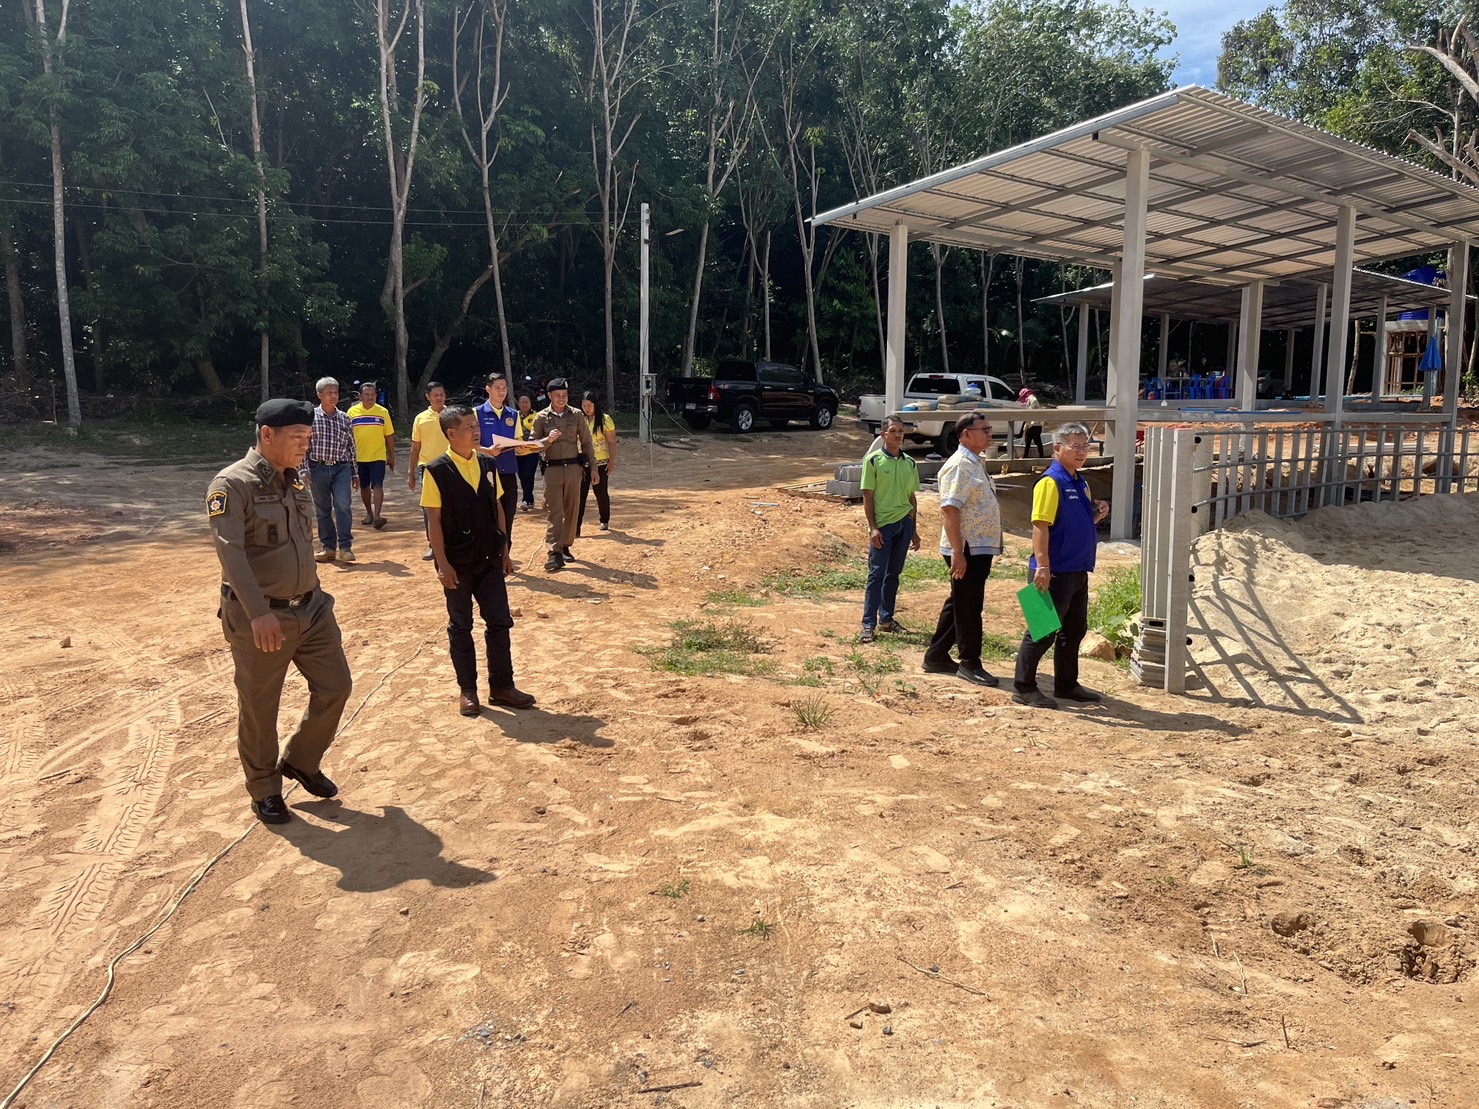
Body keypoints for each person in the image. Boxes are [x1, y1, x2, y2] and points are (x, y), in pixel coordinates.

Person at [208, 399, 353, 825]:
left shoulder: (296, 482)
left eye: (309, 437)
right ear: (267, 435)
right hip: (262, 617)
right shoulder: (232, 484)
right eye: (298, 438)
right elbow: (231, 554)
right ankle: (264, 789)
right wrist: (258, 613)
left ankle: (301, 760)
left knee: (336, 686)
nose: (306, 445)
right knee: (260, 707)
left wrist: (315, 596)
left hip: (312, 609)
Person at [422, 405, 536, 716]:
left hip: (489, 559)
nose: (476, 431)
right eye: (469, 427)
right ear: (451, 433)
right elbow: (434, 520)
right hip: (457, 563)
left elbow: (497, 508)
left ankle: (502, 686)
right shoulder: (436, 471)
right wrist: (442, 564)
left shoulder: (487, 463)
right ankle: (468, 691)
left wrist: (505, 551)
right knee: (461, 626)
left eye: (476, 426)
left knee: (499, 621)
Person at [1013, 422, 1111, 710]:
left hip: (1077, 569)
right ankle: (1023, 687)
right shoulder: (1050, 482)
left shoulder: (1081, 481)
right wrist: (1043, 566)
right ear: (1057, 448)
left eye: (1085, 446)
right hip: (1054, 571)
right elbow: (1040, 525)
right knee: (1042, 631)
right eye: (1075, 446)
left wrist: (1098, 514)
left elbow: (1080, 521)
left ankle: (1067, 684)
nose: (1082, 452)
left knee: (1074, 630)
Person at [921, 412, 1004, 687]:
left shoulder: (975, 462)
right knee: (969, 605)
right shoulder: (959, 465)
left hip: (977, 548)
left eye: (989, 428)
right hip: (966, 548)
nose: (990, 433)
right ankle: (970, 663)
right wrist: (958, 552)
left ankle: (936, 656)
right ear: (966, 434)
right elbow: (950, 509)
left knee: (960, 600)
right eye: (984, 429)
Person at [859, 416, 920, 643]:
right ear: (883, 434)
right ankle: (868, 624)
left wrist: (914, 530)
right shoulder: (873, 461)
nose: (898, 435)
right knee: (876, 574)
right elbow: (868, 496)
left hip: (904, 523)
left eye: (901, 431)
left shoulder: (910, 463)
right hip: (883, 526)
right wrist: (873, 528)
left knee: (893, 573)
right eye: (893, 431)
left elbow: (911, 497)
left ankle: (886, 619)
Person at [531, 378, 597, 572]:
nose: (561, 398)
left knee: (572, 509)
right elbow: (532, 445)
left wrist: (593, 468)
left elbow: (586, 443)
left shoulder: (576, 415)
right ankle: (554, 552)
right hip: (552, 469)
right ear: (549, 396)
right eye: (557, 395)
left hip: (573, 469)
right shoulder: (541, 417)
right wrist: (547, 440)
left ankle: (566, 545)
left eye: (564, 395)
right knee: (554, 510)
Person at [307, 376, 358, 563]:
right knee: (323, 509)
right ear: (319, 395)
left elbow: (351, 447)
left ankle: (345, 547)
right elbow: (304, 446)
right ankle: (328, 547)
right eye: (329, 393)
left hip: (341, 468)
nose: (334, 396)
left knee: (343, 505)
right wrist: (304, 470)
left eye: (336, 392)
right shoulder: (311, 418)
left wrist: (355, 473)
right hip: (317, 468)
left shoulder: (345, 418)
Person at [476, 373, 523, 546]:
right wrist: (486, 451)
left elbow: (518, 441)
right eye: (497, 388)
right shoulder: (477, 413)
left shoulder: (514, 414)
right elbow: (469, 444)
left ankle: (505, 554)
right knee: (486, 517)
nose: (501, 392)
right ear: (488, 389)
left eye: (504, 388)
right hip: (484, 473)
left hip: (508, 472)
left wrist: (522, 448)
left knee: (508, 516)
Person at [408, 381, 450, 561]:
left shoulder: (452, 416)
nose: (439, 398)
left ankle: (452, 542)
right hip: (428, 468)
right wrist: (410, 472)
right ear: (428, 396)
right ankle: (434, 544)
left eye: (442, 394)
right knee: (429, 508)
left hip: (451, 465)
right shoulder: (420, 418)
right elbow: (416, 447)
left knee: (452, 505)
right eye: (435, 395)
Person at [347, 380, 395, 529]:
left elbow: (389, 435)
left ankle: (377, 516)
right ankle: (369, 513)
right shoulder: (352, 412)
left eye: (372, 394)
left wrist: (392, 456)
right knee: (364, 486)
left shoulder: (383, 412)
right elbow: (346, 435)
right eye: (366, 394)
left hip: (378, 456)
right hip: (359, 457)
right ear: (360, 396)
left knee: (378, 485)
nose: (370, 397)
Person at [577, 390, 617, 534]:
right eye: (584, 406)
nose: (586, 409)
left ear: (595, 405)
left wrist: (611, 462)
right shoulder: (578, 419)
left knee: (600, 493)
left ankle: (604, 519)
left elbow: (612, 442)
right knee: (579, 495)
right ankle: (576, 526)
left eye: (589, 406)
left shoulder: (605, 420)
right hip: (581, 462)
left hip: (600, 462)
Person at [515, 393, 540, 511]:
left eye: (526, 402)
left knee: (528, 475)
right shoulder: (514, 416)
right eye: (522, 402)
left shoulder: (537, 416)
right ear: (518, 404)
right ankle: (529, 499)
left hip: (532, 452)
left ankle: (527, 500)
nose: (524, 404)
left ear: (530, 403)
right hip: (518, 452)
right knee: (521, 476)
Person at [1020, 387, 1045, 458]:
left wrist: (1027, 424)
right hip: (1036, 424)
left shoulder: (1033, 400)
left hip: (1034, 424)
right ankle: (1041, 456)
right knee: (1036, 441)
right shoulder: (1031, 399)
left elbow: (1031, 413)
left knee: (1029, 440)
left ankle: (1026, 456)